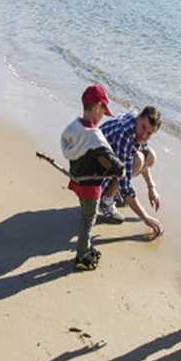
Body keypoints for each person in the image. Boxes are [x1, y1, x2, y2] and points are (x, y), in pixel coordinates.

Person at [60, 84, 124, 271]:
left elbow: (67, 143)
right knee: (89, 219)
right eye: (103, 110)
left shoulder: (74, 127)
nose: (103, 114)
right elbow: (114, 164)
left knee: (85, 213)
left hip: (77, 179)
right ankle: (82, 254)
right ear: (96, 107)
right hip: (91, 186)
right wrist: (120, 172)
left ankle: (84, 247)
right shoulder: (94, 137)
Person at [98, 106, 163, 239]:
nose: (144, 135)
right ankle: (106, 200)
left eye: (149, 133)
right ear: (139, 118)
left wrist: (151, 188)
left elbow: (143, 151)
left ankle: (113, 192)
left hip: (107, 163)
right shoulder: (126, 135)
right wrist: (145, 217)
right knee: (137, 160)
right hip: (94, 174)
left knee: (150, 155)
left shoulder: (135, 123)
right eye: (144, 128)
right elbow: (125, 183)